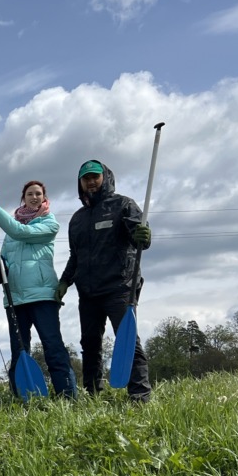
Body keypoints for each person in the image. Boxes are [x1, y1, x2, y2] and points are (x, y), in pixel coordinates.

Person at [56, 160, 153, 401]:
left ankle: (140, 395)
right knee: (90, 344)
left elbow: (140, 240)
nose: (90, 182)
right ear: (80, 183)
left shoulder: (123, 205)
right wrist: (65, 281)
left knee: (127, 339)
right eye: (86, 178)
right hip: (87, 291)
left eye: (95, 177)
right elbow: (75, 256)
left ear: (105, 178)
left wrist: (144, 235)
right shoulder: (77, 219)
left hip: (119, 286)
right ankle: (92, 393)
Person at [0, 185, 77, 398]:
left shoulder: (49, 223)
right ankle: (21, 396)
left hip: (42, 295)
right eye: (29, 194)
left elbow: (21, 232)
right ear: (23, 198)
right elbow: (7, 255)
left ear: (44, 198)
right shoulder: (11, 229)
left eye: (38, 194)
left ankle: (68, 395)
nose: (34, 197)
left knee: (52, 346)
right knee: (19, 350)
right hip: (15, 297)